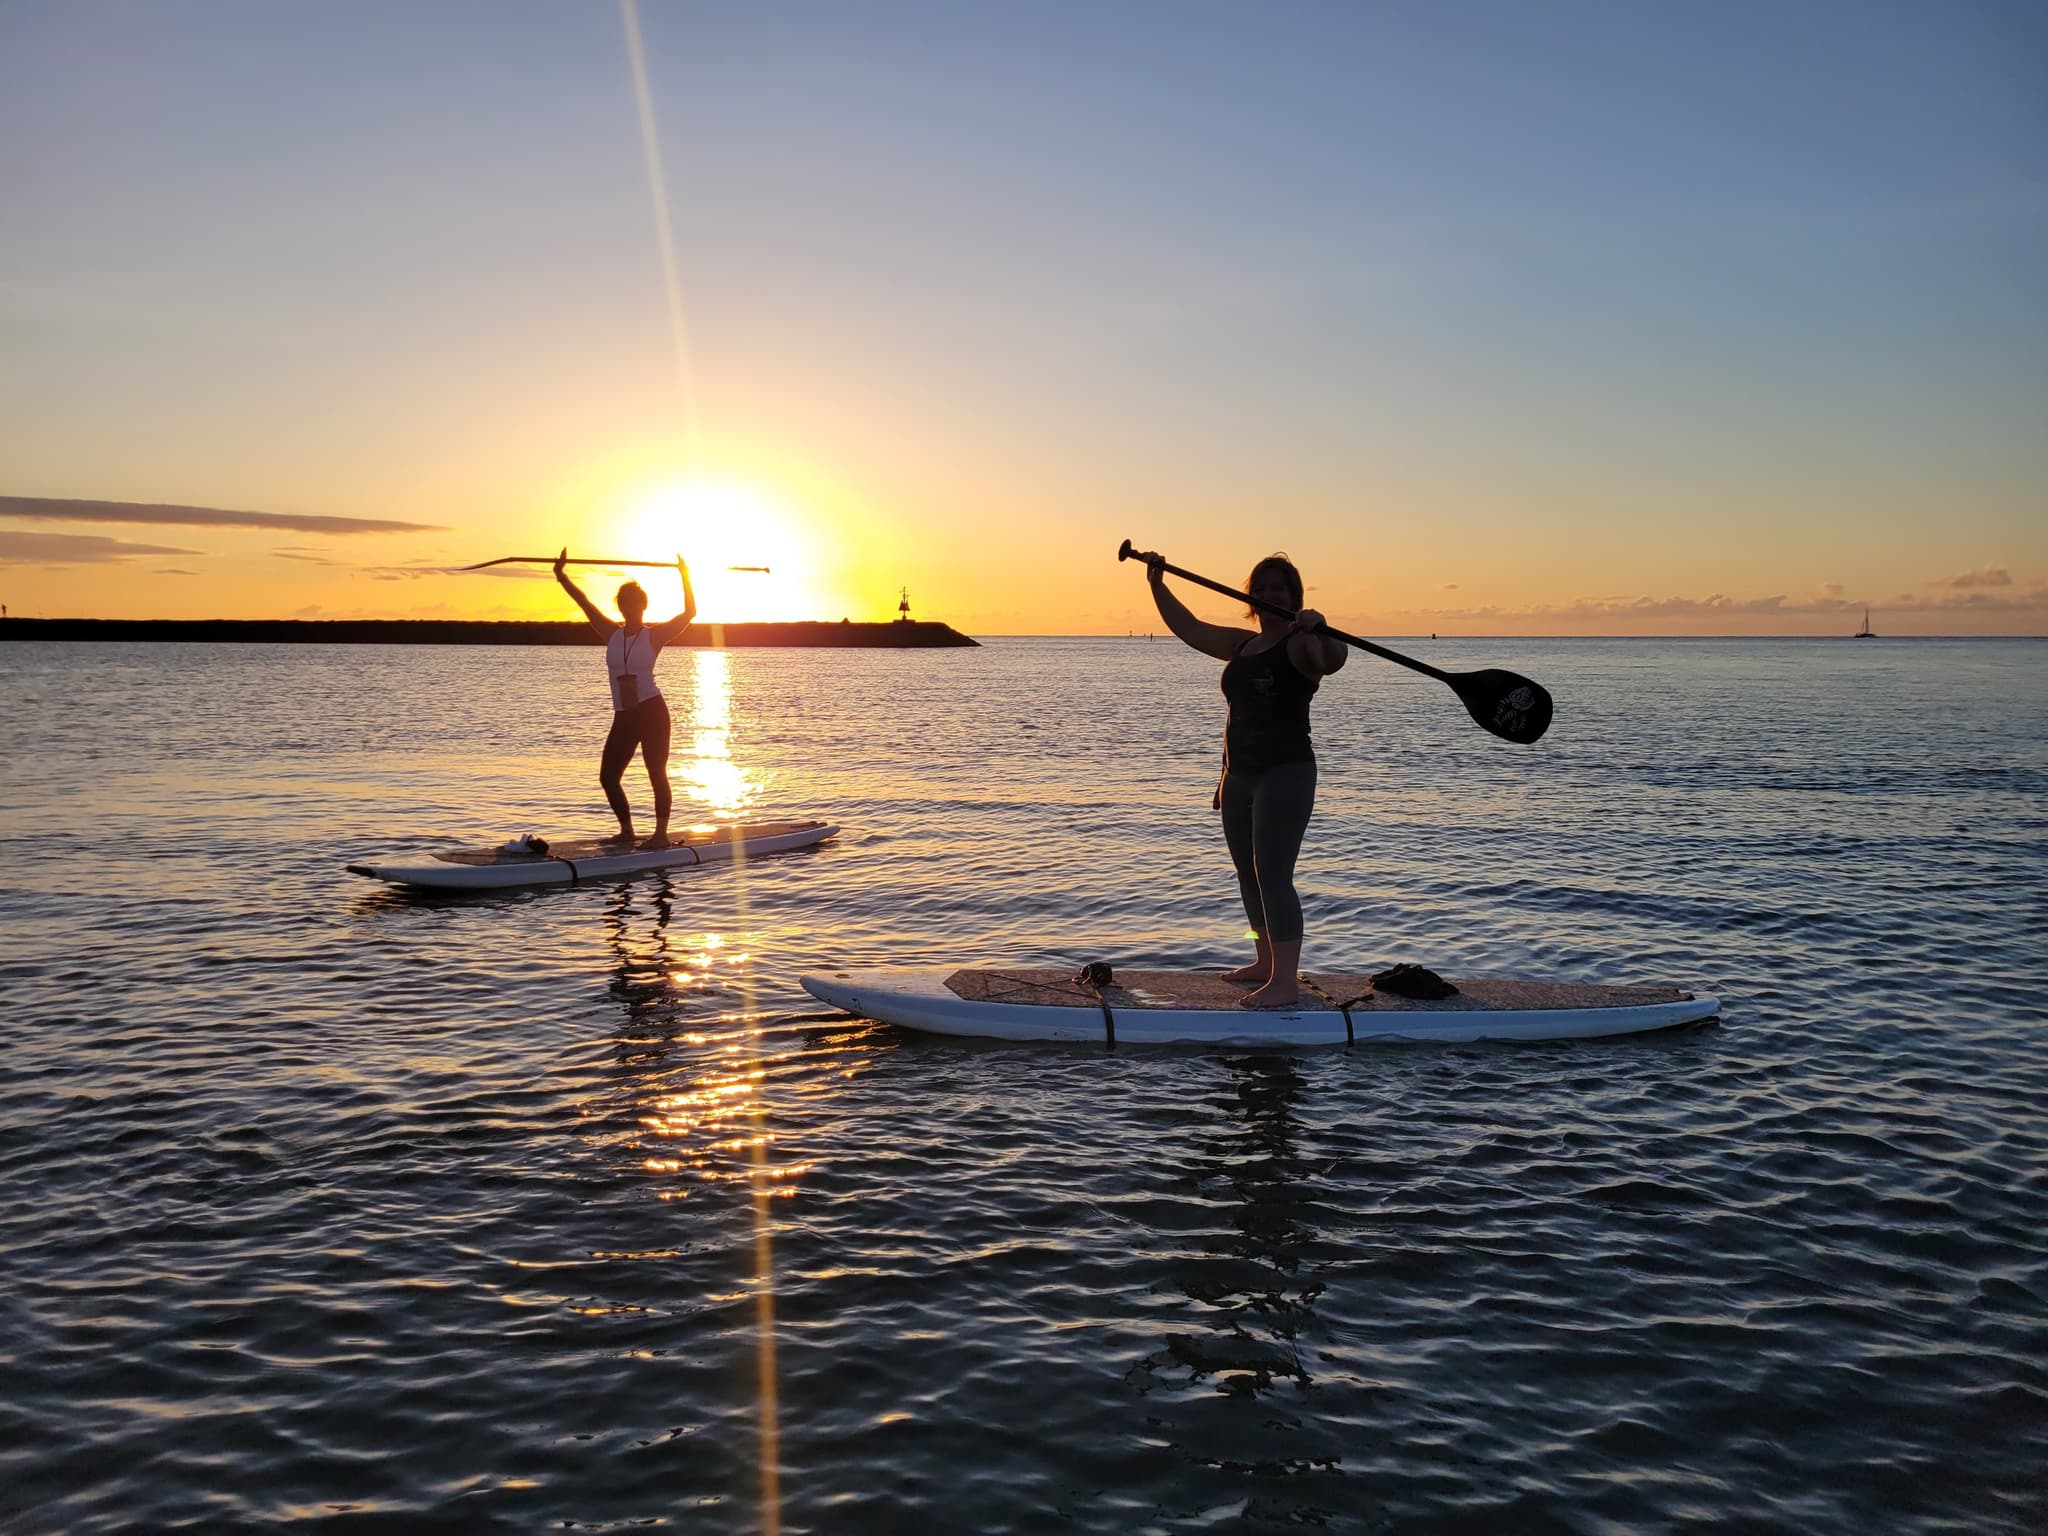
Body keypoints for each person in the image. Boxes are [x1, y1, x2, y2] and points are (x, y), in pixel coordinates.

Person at [1136, 549, 1346, 1007]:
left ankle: (1286, 983)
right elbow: (1191, 629)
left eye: (1280, 589)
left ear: (1294, 596)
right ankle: (1264, 961)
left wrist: (1320, 628)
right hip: (1237, 776)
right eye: (1262, 588)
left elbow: (1333, 660)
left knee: (1274, 875)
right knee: (1247, 875)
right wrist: (1158, 585)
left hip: (1285, 773)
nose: (1270, 594)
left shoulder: (1301, 644)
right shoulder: (1244, 645)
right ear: (1251, 596)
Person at [554, 549, 696, 849]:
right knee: (608, 776)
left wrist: (685, 575)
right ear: (620, 607)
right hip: (624, 715)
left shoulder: (654, 636)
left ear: (642, 607)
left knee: (656, 771)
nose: (629, 609)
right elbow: (584, 603)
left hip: (652, 712)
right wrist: (561, 576)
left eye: (634, 604)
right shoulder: (611, 633)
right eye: (624, 604)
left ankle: (661, 836)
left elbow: (689, 613)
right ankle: (627, 831)